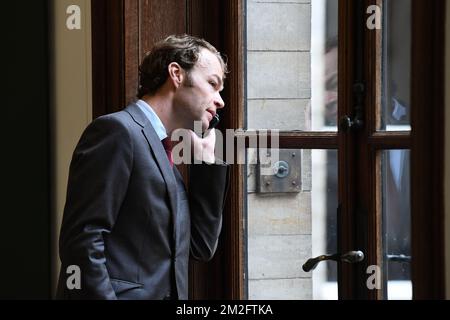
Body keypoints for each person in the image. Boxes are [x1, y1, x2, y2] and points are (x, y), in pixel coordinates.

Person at [56, 34, 230, 300]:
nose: (220, 101)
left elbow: (200, 247)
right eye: (212, 84)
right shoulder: (117, 131)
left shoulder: (163, 152)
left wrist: (207, 163)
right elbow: (82, 242)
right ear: (176, 74)